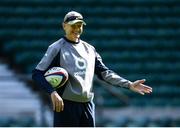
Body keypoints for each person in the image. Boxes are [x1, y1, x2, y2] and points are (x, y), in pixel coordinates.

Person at [32, 11, 152, 127]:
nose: (77, 28)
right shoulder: (56, 48)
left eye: (79, 25)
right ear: (64, 26)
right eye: (73, 25)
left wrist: (129, 84)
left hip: (88, 104)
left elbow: (105, 73)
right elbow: (37, 74)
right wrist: (52, 92)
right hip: (66, 105)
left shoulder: (90, 49)